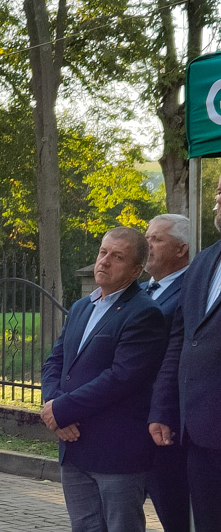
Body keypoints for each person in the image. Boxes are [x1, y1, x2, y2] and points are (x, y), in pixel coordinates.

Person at [41, 226, 166, 532]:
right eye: (103, 252)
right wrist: (52, 405)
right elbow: (57, 360)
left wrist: (63, 410)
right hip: (73, 445)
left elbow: (121, 378)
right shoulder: (82, 306)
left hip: (116, 451)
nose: (105, 261)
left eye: (117, 257)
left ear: (136, 270)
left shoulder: (144, 313)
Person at [149, 174, 221, 532]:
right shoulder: (204, 263)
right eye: (219, 190)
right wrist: (163, 409)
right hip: (200, 433)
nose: (218, 197)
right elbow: (180, 343)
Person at [142, 214, 191, 532]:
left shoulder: (191, 290)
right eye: (147, 238)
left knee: (176, 515)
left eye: (157, 239)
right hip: (133, 422)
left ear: (181, 249)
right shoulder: (140, 291)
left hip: (167, 425)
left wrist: (163, 411)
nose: (147, 246)